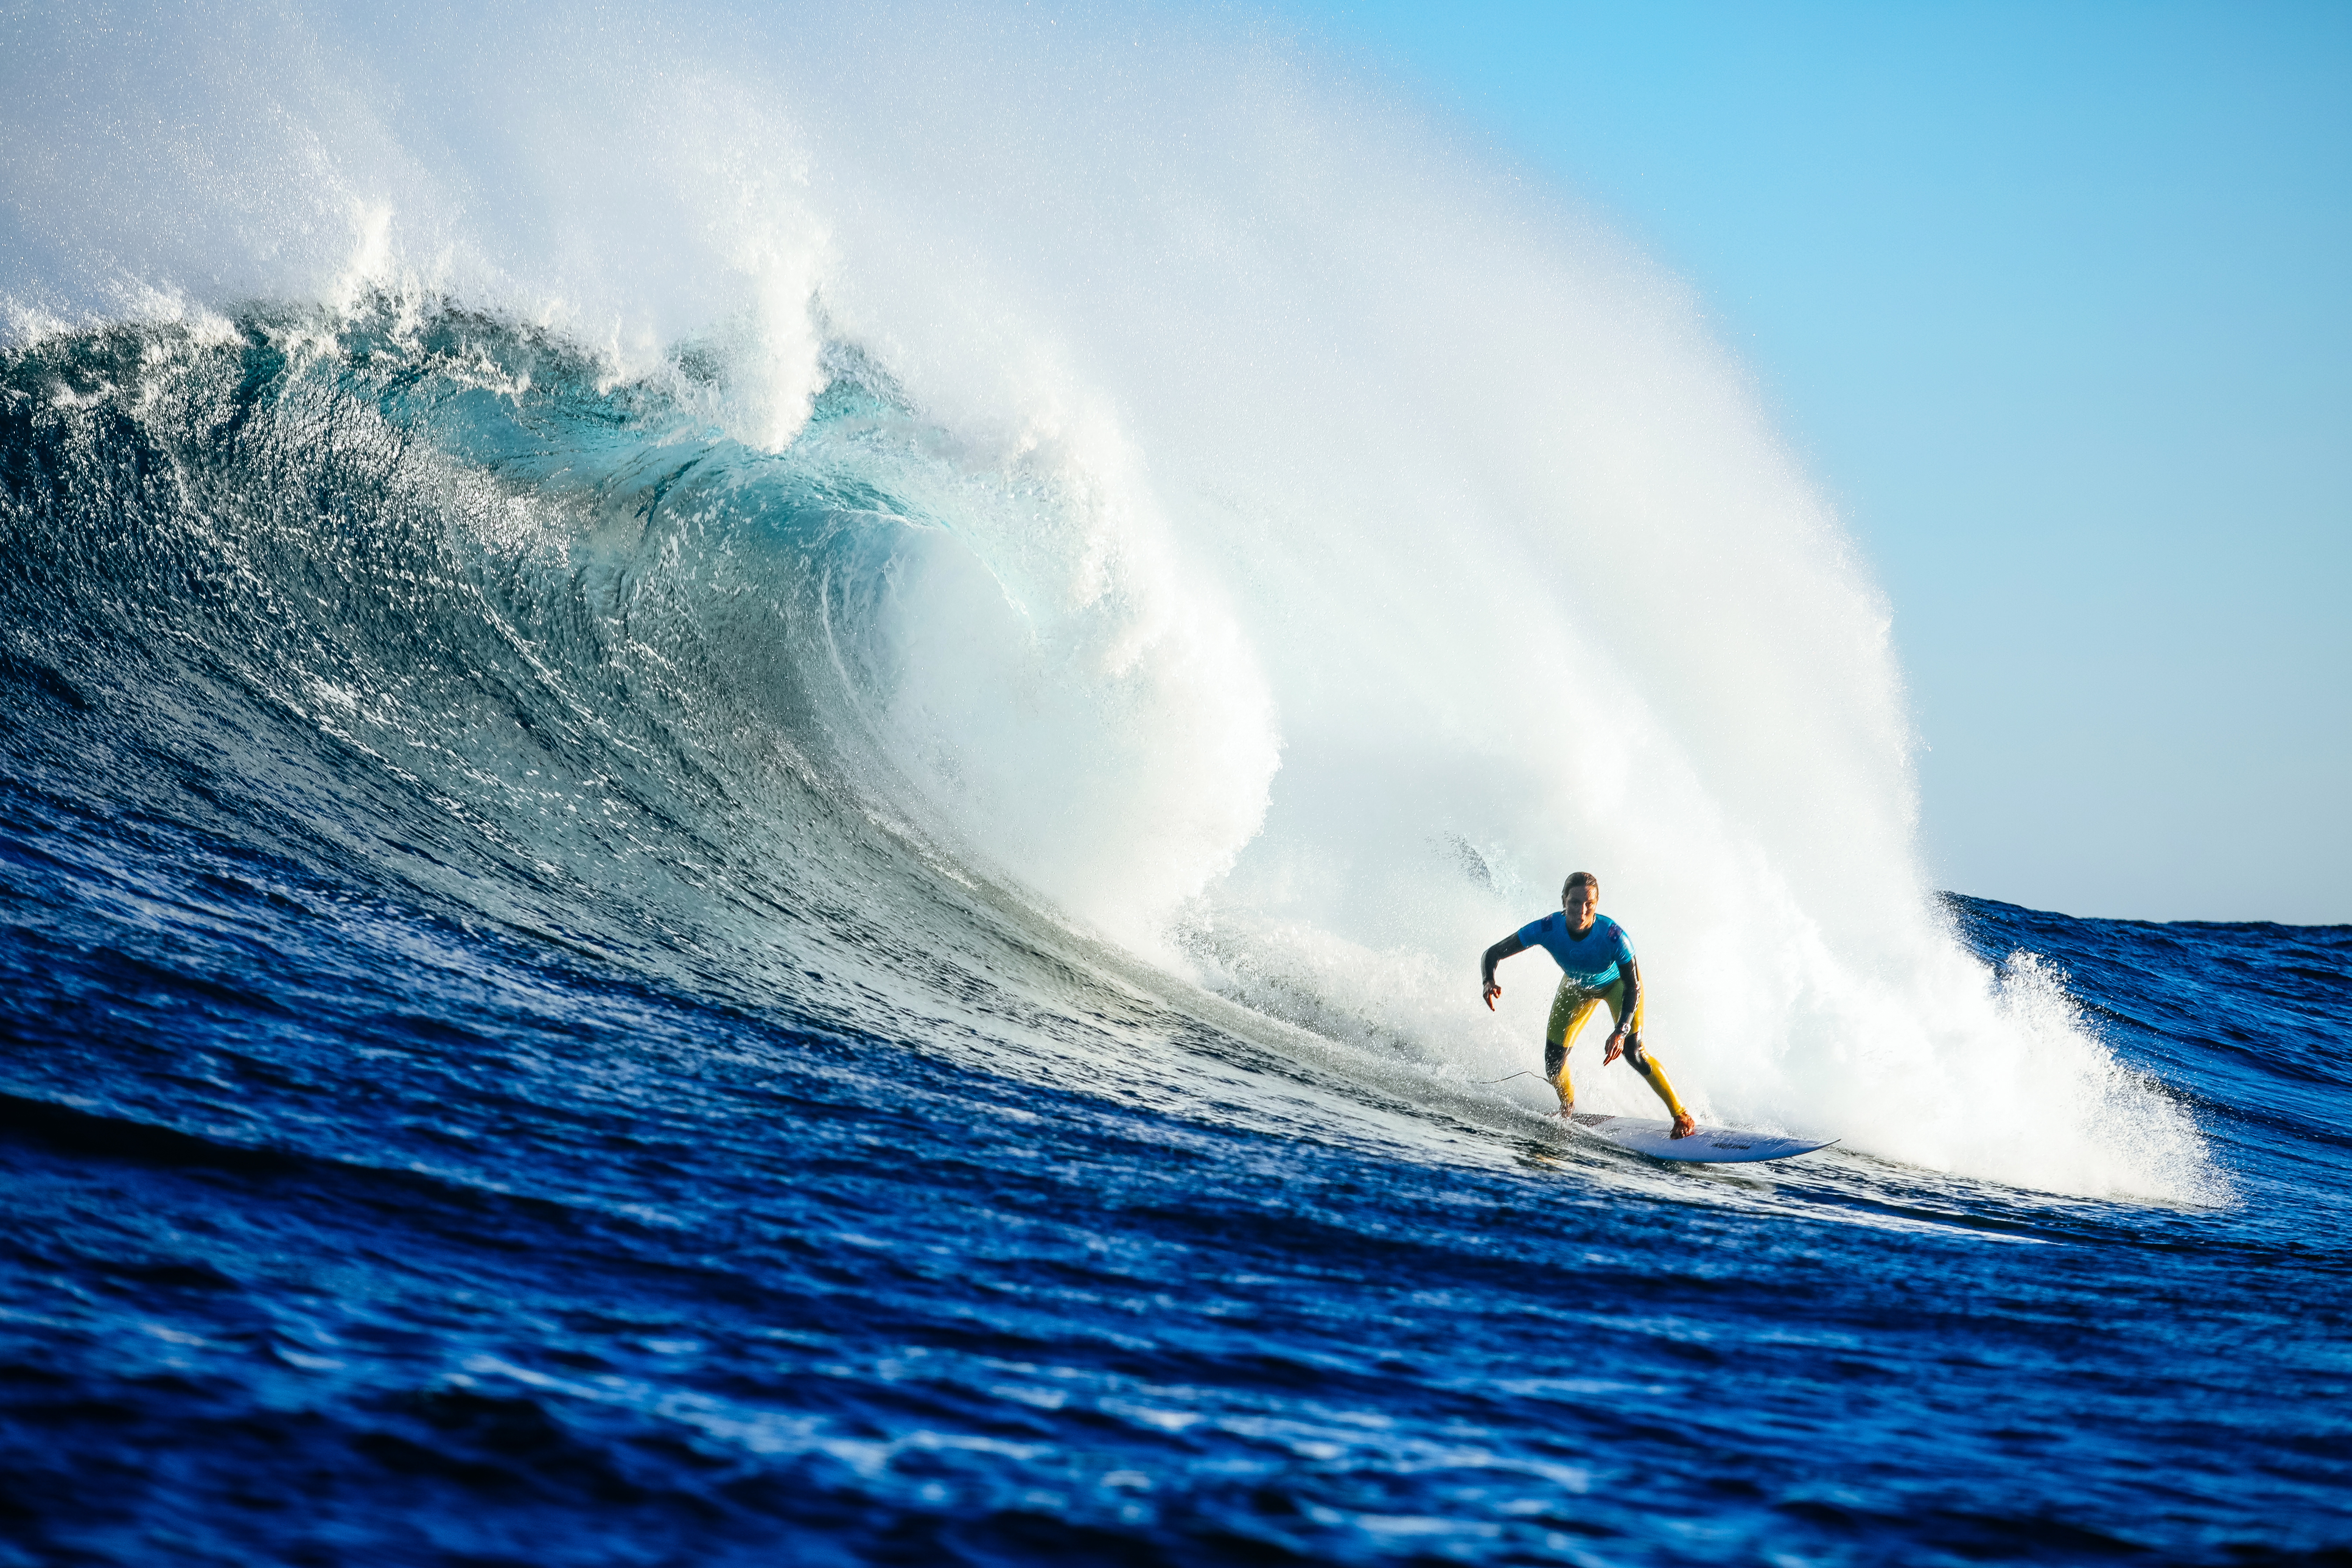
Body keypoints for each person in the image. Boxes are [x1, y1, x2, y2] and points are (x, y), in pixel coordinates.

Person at [1481, 871, 1698, 1138]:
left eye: (1589, 905)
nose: (1581, 911)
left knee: (1634, 1053)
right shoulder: (1547, 928)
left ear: (1596, 905)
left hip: (1620, 987)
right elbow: (1493, 953)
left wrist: (1621, 1030)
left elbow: (1634, 986)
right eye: (1574, 903)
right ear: (1564, 901)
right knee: (1553, 1062)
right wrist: (1489, 981)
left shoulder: (1614, 936)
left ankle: (1681, 1115)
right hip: (1577, 986)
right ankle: (1568, 1106)